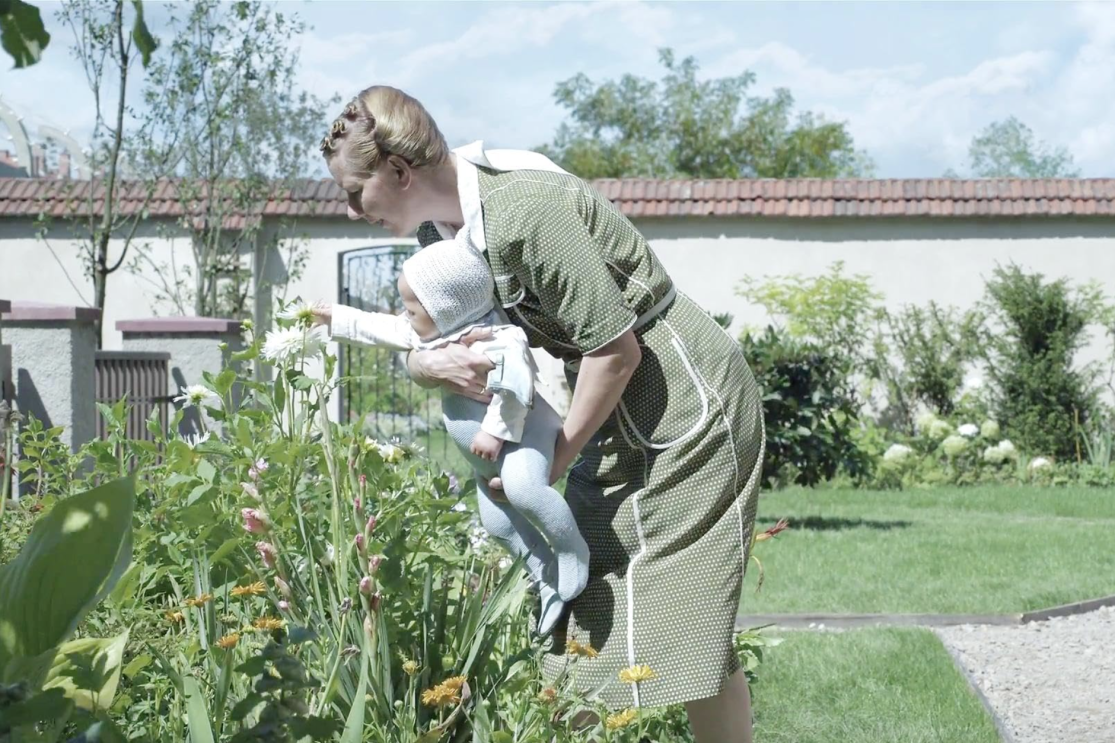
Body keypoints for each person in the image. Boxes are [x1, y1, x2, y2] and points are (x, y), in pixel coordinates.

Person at [320, 86, 766, 742]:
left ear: (397, 172)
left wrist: (551, 463)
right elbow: (447, 336)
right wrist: (423, 365)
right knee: (647, 609)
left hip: (683, 402)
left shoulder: (521, 211)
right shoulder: (456, 229)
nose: (351, 211)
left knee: (621, 601)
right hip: (628, 407)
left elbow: (615, 349)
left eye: (354, 193)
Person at [313, 234, 589, 636]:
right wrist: (334, 317)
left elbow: (516, 389)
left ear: (445, 308)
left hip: (523, 438)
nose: (404, 316)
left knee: (526, 490)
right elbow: (381, 326)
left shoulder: (500, 339)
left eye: (411, 308)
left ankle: (570, 550)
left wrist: (494, 434)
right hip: (486, 460)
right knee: (498, 524)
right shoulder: (434, 337)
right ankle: (543, 573)